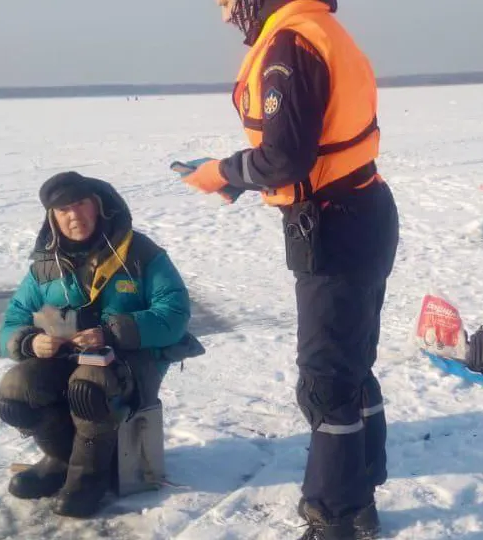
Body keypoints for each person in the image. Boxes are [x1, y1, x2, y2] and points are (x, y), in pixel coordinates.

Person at [175, 1, 399, 538]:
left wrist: (220, 171)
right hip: (361, 209)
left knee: (325, 380)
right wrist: (240, 181)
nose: (227, 16)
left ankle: (335, 516)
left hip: (335, 225)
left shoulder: (289, 45)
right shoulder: (317, 29)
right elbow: (303, 151)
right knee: (350, 366)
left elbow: (284, 159)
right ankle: (359, 494)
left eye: (230, 2)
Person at [0, 171, 199, 518]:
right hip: (66, 359)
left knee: (88, 386)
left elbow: (175, 313)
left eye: (80, 204)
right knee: (16, 390)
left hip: (132, 360)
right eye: (63, 211)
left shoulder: (141, 253)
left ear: (99, 205)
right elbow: (12, 321)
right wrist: (31, 341)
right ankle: (60, 461)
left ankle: (89, 476)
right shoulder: (45, 265)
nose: (73, 216)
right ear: (52, 218)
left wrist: (112, 332)